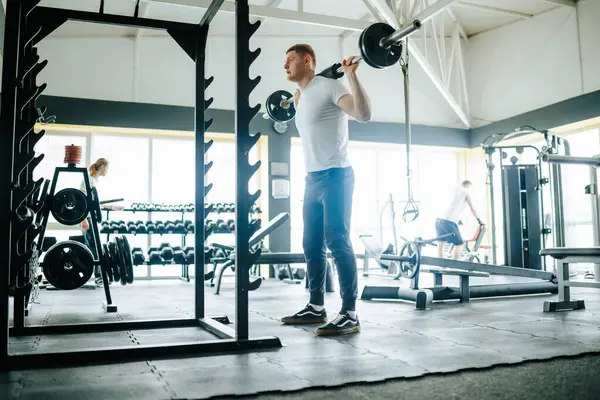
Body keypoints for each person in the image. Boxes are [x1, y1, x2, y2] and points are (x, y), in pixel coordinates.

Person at [279, 44, 372, 336]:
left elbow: (363, 114)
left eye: (290, 60)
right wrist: (297, 101)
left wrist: (353, 76)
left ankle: (350, 313)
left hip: (336, 175)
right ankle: (316, 306)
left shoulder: (331, 86)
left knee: (337, 239)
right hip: (312, 178)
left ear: (308, 61)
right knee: (310, 244)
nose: (285, 66)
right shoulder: (301, 97)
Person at [80, 158, 115, 285]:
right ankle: (98, 276)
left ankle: (98, 276)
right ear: (102, 167)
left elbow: (94, 202)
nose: (107, 171)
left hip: (92, 218)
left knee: (95, 247)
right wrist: (83, 219)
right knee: (95, 248)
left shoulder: (95, 181)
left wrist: (110, 207)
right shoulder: (88, 180)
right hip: (87, 218)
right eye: (107, 168)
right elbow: (81, 201)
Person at [435, 180, 484, 260]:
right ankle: (454, 266)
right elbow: (472, 208)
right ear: (469, 186)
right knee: (459, 244)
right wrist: (479, 220)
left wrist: (459, 220)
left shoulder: (453, 190)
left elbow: (452, 206)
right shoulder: (466, 192)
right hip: (449, 221)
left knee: (440, 243)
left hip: (439, 220)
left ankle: (440, 265)